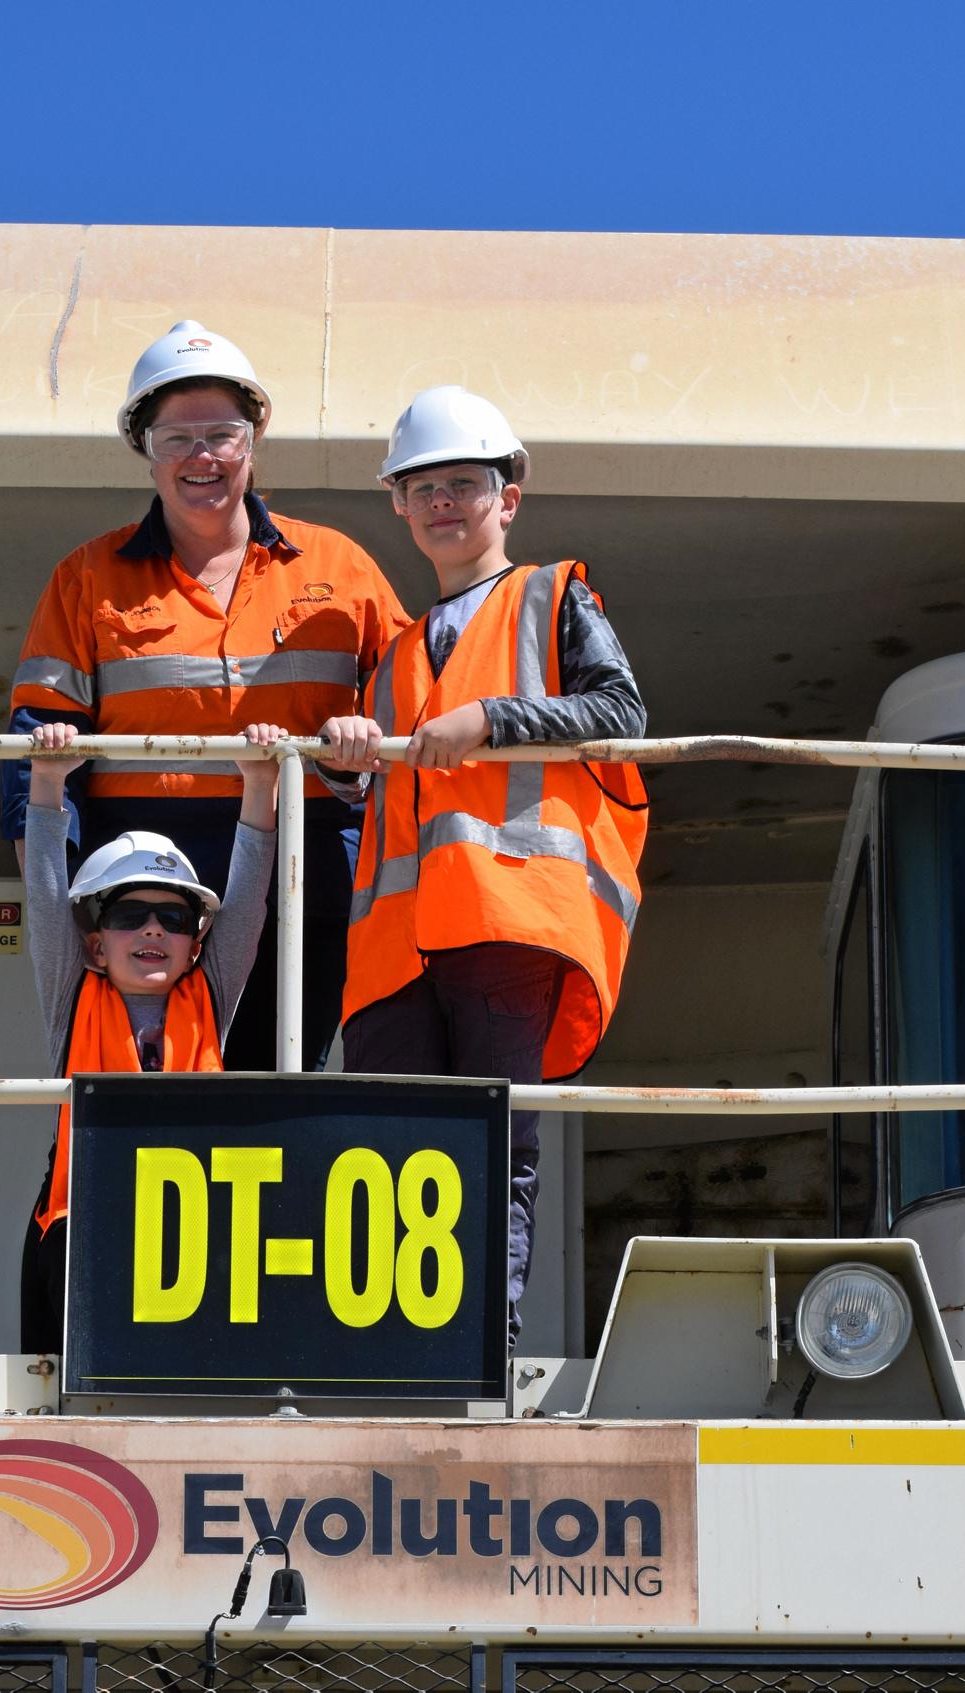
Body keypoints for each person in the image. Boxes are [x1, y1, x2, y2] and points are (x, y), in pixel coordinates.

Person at [317, 386, 650, 1341]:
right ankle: (388, 1359)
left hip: (508, 924)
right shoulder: (394, 656)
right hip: (395, 954)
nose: (443, 504)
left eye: (464, 484)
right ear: (397, 504)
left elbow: (620, 713)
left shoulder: (552, 595)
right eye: (423, 489)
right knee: (384, 1161)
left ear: (510, 496)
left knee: (494, 1151)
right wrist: (349, 760)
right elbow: (384, 800)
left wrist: (492, 721)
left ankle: (477, 1358)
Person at [1, 320, 409, 1072]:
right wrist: (60, 920)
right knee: (139, 1109)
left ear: (254, 440)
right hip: (143, 899)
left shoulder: (340, 567)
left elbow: (411, 708)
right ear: (144, 452)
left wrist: (363, 739)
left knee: (279, 1095)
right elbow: (34, 753)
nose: (202, 457)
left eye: (222, 433)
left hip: (305, 881)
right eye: (174, 440)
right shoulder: (85, 579)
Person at [16, 720, 286, 1354]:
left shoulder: (211, 992)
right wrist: (50, 780)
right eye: (130, 915)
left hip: (198, 1237)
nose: (153, 931)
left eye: (173, 917)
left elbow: (246, 904)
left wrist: (260, 783)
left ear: (196, 943)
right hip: (84, 1223)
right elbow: (47, 893)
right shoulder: (70, 992)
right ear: (95, 942)